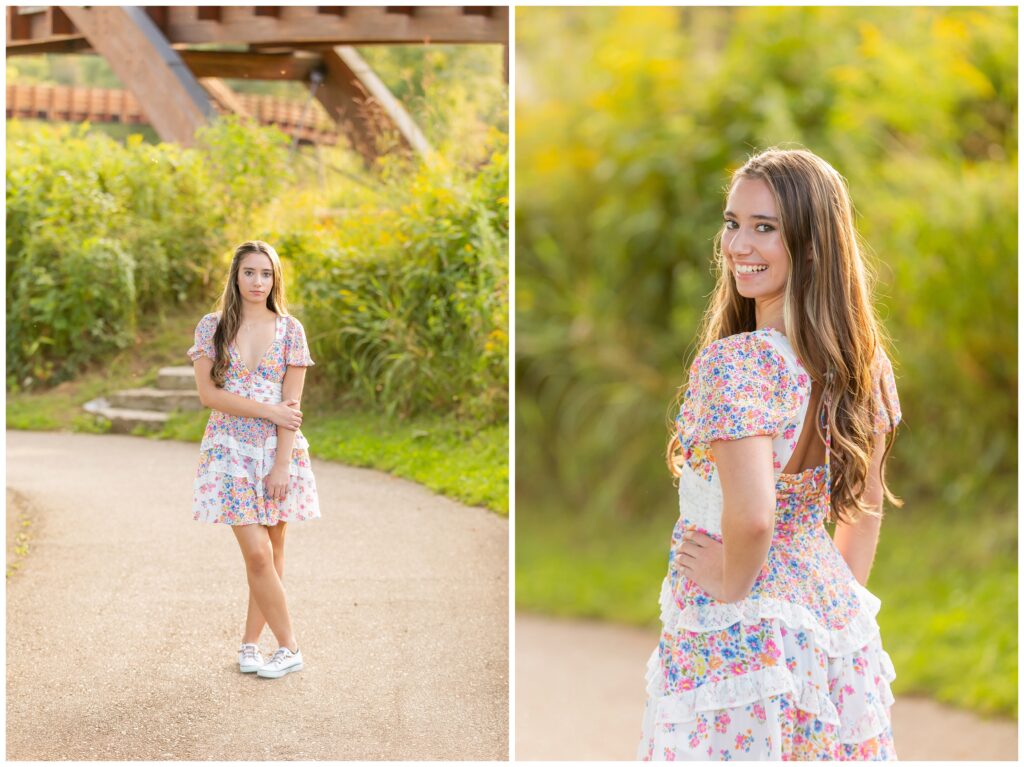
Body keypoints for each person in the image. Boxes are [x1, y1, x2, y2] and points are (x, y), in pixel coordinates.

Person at [638, 148, 902, 760]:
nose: (738, 246)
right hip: (834, 626)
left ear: (811, 246)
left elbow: (754, 517)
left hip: (740, 639)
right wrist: (828, 613)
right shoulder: (865, 366)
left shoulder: (741, 364)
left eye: (765, 228)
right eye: (733, 223)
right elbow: (864, 510)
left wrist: (728, 587)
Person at [187, 240, 320, 679]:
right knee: (258, 554)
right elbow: (210, 396)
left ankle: (251, 645)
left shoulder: (290, 329)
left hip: (277, 453)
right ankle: (291, 647)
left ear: (275, 278)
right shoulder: (212, 327)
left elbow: (292, 407)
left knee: (272, 552)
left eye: (265, 273)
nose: (257, 282)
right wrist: (267, 410)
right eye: (249, 272)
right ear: (235, 276)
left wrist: (282, 465)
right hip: (228, 450)